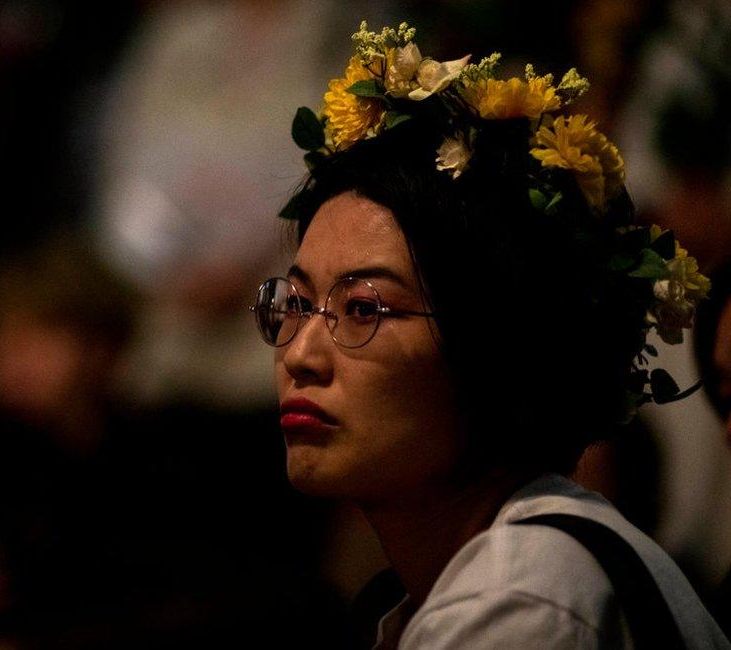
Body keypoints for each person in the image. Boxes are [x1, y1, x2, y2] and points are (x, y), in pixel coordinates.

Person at [251, 20, 731, 648]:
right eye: (297, 303)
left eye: (364, 309)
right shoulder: (500, 572)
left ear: (498, 346)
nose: (301, 355)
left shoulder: (522, 597)